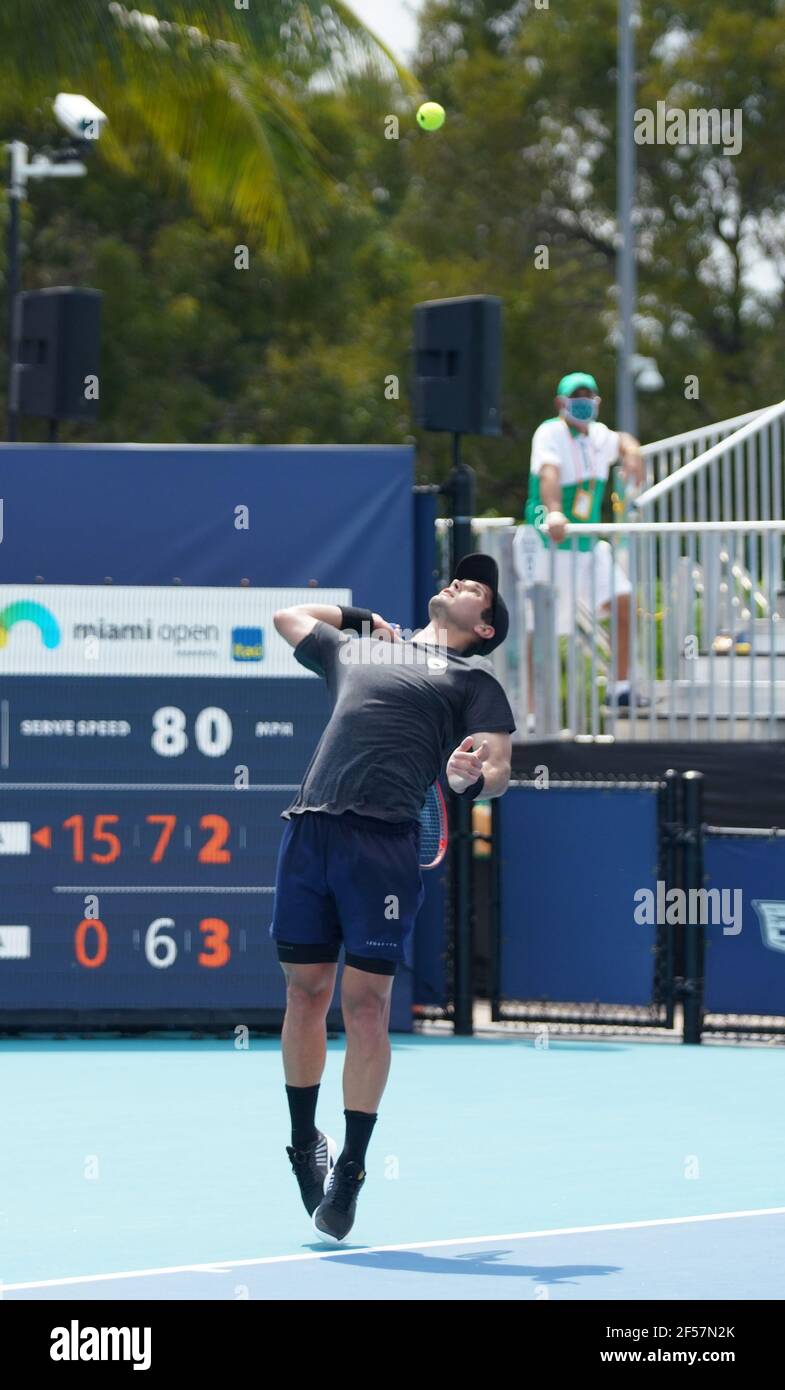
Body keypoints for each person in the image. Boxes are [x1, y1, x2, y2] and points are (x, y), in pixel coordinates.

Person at [271, 554, 515, 1242]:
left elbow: (495, 771)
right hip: (310, 829)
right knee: (304, 993)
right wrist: (360, 619)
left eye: (476, 589)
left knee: (367, 1005)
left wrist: (470, 776)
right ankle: (301, 1143)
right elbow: (287, 617)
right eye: (458, 577)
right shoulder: (358, 650)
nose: (460, 583)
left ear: (485, 624)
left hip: (382, 847)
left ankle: (350, 1167)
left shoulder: (473, 681)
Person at [515, 371, 647, 710]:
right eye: (577, 397)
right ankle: (530, 708)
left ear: (598, 402)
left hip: (586, 544)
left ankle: (620, 687)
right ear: (561, 402)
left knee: (624, 599)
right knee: (540, 628)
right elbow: (549, 474)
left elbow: (623, 439)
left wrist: (633, 452)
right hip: (550, 544)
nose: (584, 403)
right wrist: (555, 512)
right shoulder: (550, 432)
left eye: (589, 396)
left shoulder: (600, 436)